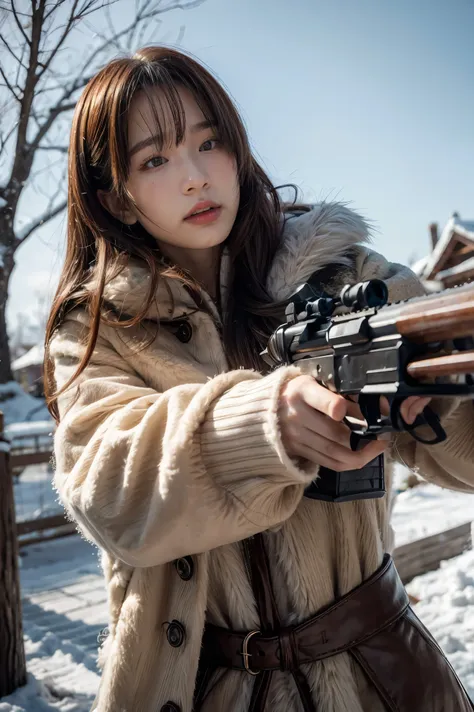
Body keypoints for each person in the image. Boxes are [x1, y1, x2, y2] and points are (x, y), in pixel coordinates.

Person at [45, 46, 474, 712]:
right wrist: (264, 426)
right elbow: (106, 489)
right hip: (203, 688)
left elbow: (463, 444)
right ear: (116, 199)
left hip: (383, 680)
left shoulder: (345, 272)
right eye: (154, 160)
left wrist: (435, 398)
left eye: (209, 142)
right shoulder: (100, 327)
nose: (195, 177)